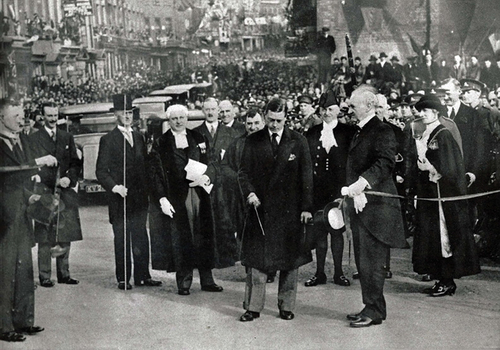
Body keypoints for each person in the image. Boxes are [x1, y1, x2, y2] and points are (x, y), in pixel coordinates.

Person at [238, 97, 313, 322]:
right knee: (256, 263)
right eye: (270, 120)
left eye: (279, 120)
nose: (274, 125)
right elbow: (243, 173)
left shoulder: (298, 141)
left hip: (289, 212)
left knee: (289, 262)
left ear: (285, 118)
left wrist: (307, 208)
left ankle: (286, 306)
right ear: (265, 116)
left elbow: (307, 177)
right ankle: (253, 307)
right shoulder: (253, 141)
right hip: (260, 210)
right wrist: (249, 192)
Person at [343, 87, 407, 328]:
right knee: (364, 261)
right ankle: (370, 305)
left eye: (353, 106)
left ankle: (375, 310)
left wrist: (362, 182)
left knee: (372, 261)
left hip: (377, 207)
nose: (349, 110)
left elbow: (385, 162)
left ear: (368, 106)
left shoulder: (382, 130)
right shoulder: (361, 130)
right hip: (362, 205)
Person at [148, 104, 224, 295]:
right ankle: (184, 281)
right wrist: (162, 198)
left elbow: (213, 163)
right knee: (181, 238)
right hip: (177, 197)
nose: (179, 121)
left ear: (187, 118)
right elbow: (155, 174)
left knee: (203, 236)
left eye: (182, 117)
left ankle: (207, 280)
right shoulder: (161, 143)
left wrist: (207, 177)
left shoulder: (199, 137)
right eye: (174, 118)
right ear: (169, 120)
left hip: (199, 194)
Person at [411, 94, 480, 296]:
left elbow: (451, 166)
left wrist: (431, 168)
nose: (421, 114)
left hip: (442, 195)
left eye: (426, 111)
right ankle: (439, 277)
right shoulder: (426, 133)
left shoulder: (443, 134)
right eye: (420, 111)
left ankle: (447, 280)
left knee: (444, 236)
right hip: (430, 194)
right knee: (432, 236)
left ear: (436, 113)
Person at [0, 99, 57, 342]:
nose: (21, 119)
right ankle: (3, 326)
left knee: (24, 269)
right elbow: (5, 175)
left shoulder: (19, 139)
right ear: (1, 117)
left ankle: (23, 321)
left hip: (21, 212)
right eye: (15, 115)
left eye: (22, 114)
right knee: (4, 271)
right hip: (4, 216)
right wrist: (36, 163)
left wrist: (30, 195)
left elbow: (19, 182)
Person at [96, 94, 161, 290]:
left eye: (130, 113)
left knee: (141, 236)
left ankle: (143, 276)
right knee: (122, 238)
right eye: (123, 113)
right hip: (120, 198)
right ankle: (123, 278)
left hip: (139, 198)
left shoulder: (139, 137)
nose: (127, 116)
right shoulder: (108, 139)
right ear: (116, 114)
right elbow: (100, 170)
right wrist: (115, 187)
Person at [303, 91, 355, 287]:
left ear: (337, 110)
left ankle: (339, 273)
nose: (326, 113)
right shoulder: (312, 133)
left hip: (338, 191)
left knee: (337, 231)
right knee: (319, 232)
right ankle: (319, 273)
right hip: (317, 191)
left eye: (330, 109)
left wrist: (348, 189)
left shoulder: (347, 133)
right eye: (323, 109)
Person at [29, 102, 82, 288]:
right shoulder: (34, 138)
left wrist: (69, 178)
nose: (52, 119)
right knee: (45, 235)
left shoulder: (67, 137)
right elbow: (31, 166)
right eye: (49, 116)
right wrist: (52, 181)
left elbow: (76, 163)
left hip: (65, 192)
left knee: (65, 233)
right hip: (44, 192)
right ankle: (45, 275)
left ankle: (64, 274)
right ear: (42, 117)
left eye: (55, 115)